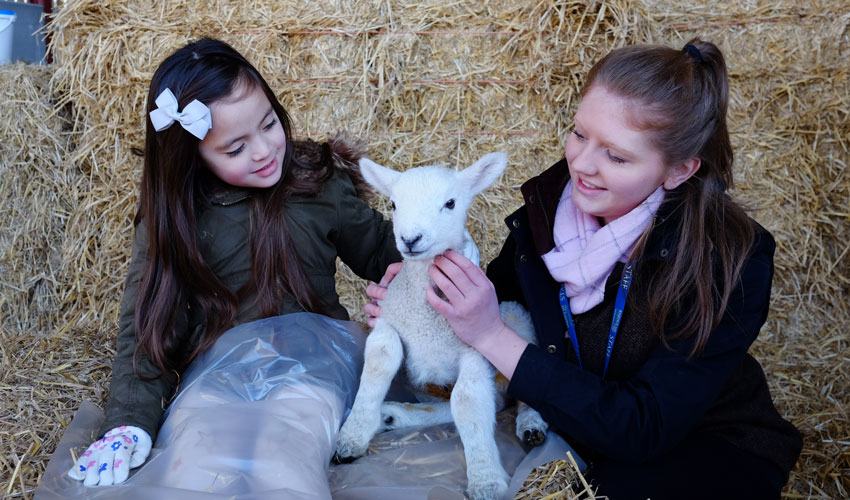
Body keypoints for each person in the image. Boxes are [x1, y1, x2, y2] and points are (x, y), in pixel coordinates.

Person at [367, 39, 802, 499]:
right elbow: (498, 301)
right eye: (579, 134)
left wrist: (491, 334)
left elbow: (644, 427)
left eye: (616, 156)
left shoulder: (729, 259)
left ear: (677, 171)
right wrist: (427, 302)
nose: (582, 165)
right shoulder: (546, 210)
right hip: (568, 423)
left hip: (698, 444)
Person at [68, 37, 400, 487]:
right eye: (235, 148)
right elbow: (147, 324)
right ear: (193, 155)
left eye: (268, 124)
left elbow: (384, 251)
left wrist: (423, 256)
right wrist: (129, 421)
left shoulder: (318, 183)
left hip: (314, 366)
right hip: (217, 374)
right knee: (194, 463)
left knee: (286, 453)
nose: (264, 151)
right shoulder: (176, 216)